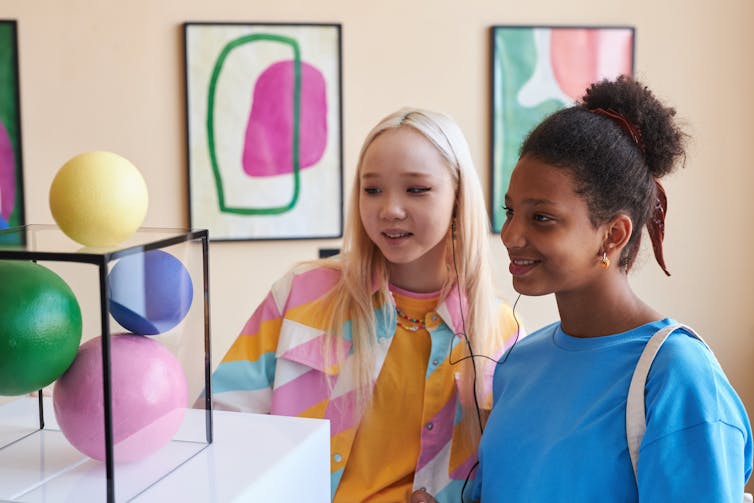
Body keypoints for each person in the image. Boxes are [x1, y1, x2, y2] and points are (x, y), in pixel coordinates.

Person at [463, 76, 752, 501]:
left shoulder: (677, 377)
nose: (509, 234)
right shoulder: (517, 363)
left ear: (613, 234)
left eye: (541, 217)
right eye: (510, 211)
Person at [209, 108, 521, 502]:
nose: (389, 208)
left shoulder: (501, 331)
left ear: (459, 197)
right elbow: (219, 422)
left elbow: (513, 474)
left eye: (416, 189)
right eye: (372, 189)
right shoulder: (301, 293)